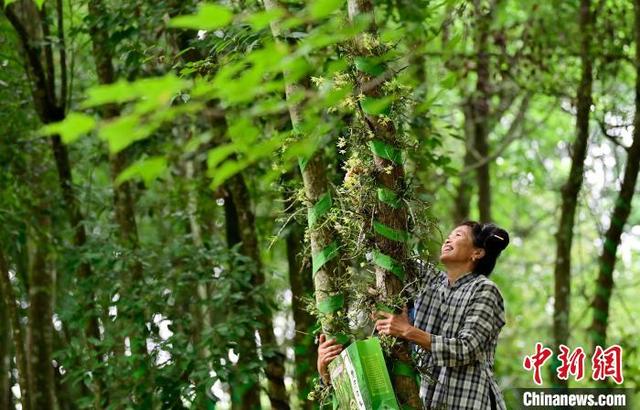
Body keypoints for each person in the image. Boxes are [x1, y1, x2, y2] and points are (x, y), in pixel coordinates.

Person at [317, 221, 509, 409]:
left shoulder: (484, 289)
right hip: (428, 402)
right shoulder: (431, 282)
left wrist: (408, 331)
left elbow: (467, 348)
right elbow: (385, 255)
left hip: (471, 401)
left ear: (477, 253)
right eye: (448, 236)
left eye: (458, 235)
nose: (448, 240)